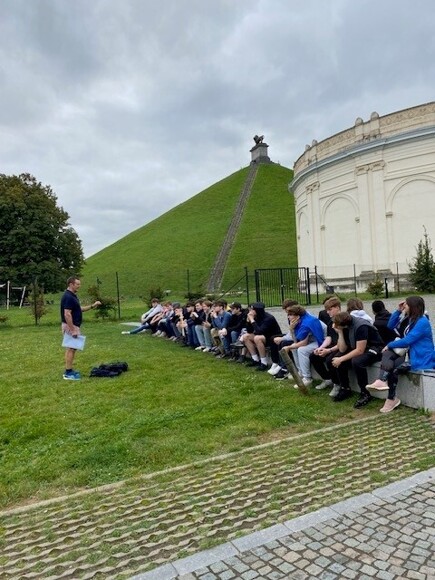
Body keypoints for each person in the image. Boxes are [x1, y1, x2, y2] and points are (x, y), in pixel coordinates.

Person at [373, 296, 435, 413]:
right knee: (392, 367)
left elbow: (408, 340)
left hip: (423, 359)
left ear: (412, 306)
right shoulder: (411, 319)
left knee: (395, 371)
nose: (404, 305)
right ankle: (386, 389)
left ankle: (390, 397)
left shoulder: (422, 321)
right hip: (415, 357)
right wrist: (398, 310)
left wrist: (390, 345)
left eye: (406, 304)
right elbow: (390, 326)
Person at [328, 311, 384, 408]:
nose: (334, 326)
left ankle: (365, 393)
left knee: (357, 361)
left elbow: (360, 350)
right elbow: (342, 349)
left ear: (344, 324)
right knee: (337, 359)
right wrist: (340, 333)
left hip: (374, 348)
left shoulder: (361, 326)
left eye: (336, 325)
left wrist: (341, 359)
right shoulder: (344, 326)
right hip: (361, 347)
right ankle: (345, 388)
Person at [61, 276, 101, 380]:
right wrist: (73, 329)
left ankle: (69, 370)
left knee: (72, 348)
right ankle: (68, 373)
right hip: (71, 326)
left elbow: (79, 309)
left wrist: (92, 306)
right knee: (71, 348)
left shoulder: (72, 296)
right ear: (71, 284)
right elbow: (67, 314)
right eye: (77, 284)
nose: (79, 286)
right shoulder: (68, 297)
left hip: (73, 325)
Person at [280, 305, 325, 386]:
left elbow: (303, 343)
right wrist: (291, 329)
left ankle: (307, 378)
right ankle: (300, 372)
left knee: (302, 350)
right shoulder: (299, 321)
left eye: (290, 315)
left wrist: (289, 347)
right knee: (294, 347)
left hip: (323, 341)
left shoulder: (306, 323)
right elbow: (296, 341)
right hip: (313, 340)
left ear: (297, 316)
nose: (288, 317)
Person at [309, 297, 341, 393]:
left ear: (337, 308)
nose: (327, 312)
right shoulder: (331, 321)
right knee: (314, 356)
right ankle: (327, 379)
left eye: (330, 309)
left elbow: (343, 343)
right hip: (333, 345)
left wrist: (328, 350)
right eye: (327, 310)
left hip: (342, 347)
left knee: (329, 360)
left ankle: (337, 384)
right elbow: (329, 337)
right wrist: (321, 347)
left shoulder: (344, 320)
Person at [242, 302, 282, 371]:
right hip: (263, 336)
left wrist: (252, 320)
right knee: (246, 336)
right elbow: (249, 331)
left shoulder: (269, 318)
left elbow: (259, 331)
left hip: (272, 338)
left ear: (257, 310)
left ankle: (264, 362)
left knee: (257, 338)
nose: (250, 311)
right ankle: (255, 359)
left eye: (252, 310)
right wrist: (248, 321)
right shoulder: (255, 316)